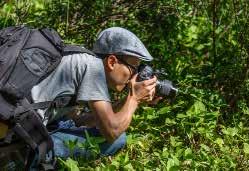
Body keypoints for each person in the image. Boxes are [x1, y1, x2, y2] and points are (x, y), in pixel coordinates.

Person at [30, 27, 160, 158]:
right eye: (133, 68)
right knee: (117, 140)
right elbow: (112, 132)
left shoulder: (80, 59)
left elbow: (77, 121)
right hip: (23, 144)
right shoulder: (93, 67)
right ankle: (26, 160)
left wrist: (128, 99)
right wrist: (134, 99)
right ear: (112, 62)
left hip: (24, 129)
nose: (134, 76)